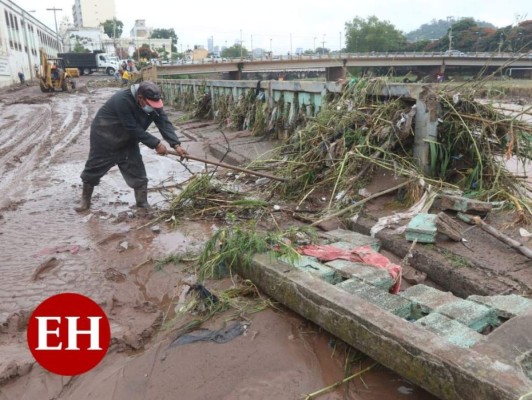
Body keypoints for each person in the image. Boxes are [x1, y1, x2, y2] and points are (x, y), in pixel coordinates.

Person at [75, 81, 189, 212]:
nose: (153, 107)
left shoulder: (153, 104)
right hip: (105, 137)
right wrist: (156, 144)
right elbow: (131, 127)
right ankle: (85, 201)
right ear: (140, 97)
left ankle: (142, 204)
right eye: (150, 104)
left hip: (128, 140)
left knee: (138, 172)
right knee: (93, 170)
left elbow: (163, 122)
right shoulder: (122, 100)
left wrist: (176, 144)